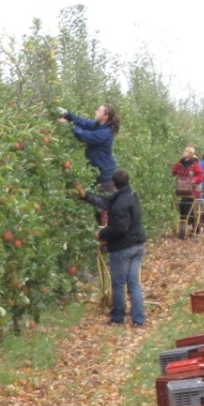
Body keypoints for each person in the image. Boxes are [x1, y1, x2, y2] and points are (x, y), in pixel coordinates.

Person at [79, 168, 145, 326]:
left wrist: (102, 234)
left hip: (123, 248)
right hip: (137, 246)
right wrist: (86, 196)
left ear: (113, 183)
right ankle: (138, 319)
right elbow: (105, 202)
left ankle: (118, 318)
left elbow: (120, 228)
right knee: (134, 283)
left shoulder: (119, 204)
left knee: (118, 283)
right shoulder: (131, 196)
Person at [59, 104, 121, 185]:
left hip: (105, 176)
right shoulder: (97, 125)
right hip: (96, 172)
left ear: (105, 116)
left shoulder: (106, 132)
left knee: (103, 196)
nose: (96, 112)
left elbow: (86, 136)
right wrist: (67, 114)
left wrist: (69, 125)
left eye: (99, 111)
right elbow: (82, 122)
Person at [171, 147, 204, 234]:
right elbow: (173, 172)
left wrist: (194, 180)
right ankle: (194, 225)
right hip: (182, 189)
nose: (183, 152)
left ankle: (184, 221)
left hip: (192, 190)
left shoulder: (195, 165)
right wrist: (173, 169)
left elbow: (201, 176)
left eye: (185, 151)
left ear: (190, 154)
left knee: (184, 204)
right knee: (188, 206)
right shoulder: (180, 164)